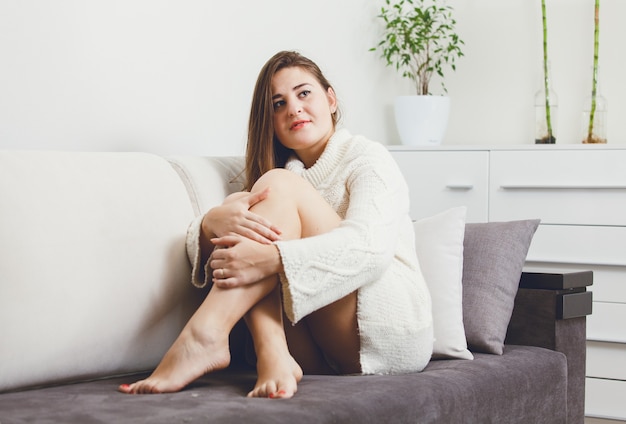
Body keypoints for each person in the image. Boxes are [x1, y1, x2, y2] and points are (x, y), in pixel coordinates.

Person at [118, 51, 433, 398]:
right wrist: (211, 223)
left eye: (304, 94)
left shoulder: (366, 157)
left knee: (269, 210)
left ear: (331, 100)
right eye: (278, 104)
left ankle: (204, 336)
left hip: (387, 327)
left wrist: (273, 259)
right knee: (248, 219)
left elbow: (370, 249)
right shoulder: (283, 181)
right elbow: (224, 249)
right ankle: (274, 354)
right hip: (314, 347)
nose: (293, 109)